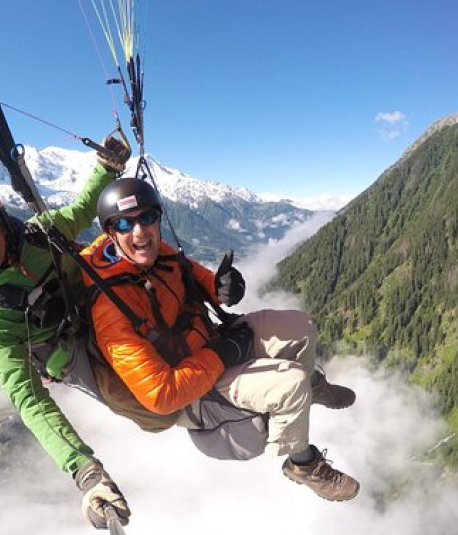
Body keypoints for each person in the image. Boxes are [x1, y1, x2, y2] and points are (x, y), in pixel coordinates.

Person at [79, 177, 360, 502]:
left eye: (146, 218)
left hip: (211, 343)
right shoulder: (109, 306)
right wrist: (223, 354)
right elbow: (161, 394)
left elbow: (192, 275)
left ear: (157, 218)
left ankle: (312, 386)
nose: (139, 231)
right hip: (195, 387)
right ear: (110, 233)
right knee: (291, 384)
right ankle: (303, 463)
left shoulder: (153, 252)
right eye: (125, 223)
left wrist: (221, 287)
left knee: (301, 326)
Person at [0, 138, 132, 529]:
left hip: (99, 307)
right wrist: (87, 473)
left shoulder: (42, 236)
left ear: (3, 224)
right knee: (140, 400)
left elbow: (80, 209)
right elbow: (28, 397)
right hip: (69, 349)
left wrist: (108, 167)